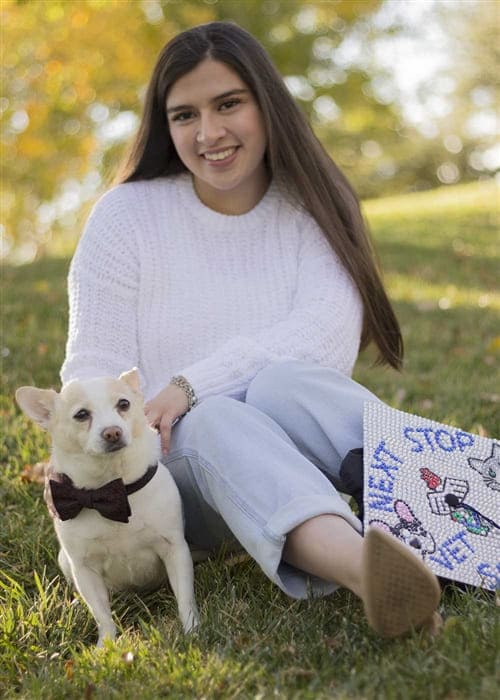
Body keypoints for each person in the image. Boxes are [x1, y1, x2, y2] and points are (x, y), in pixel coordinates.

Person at [61, 21, 441, 638]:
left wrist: (189, 383)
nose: (209, 133)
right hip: (170, 477)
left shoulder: (314, 207)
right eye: (185, 115)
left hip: (285, 455)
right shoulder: (126, 217)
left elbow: (321, 339)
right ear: (166, 126)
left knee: (285, 383)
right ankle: (373, 576)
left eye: (228, 104)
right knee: (212, 419)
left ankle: (466, 512)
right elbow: (92, 365)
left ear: (268, 105)